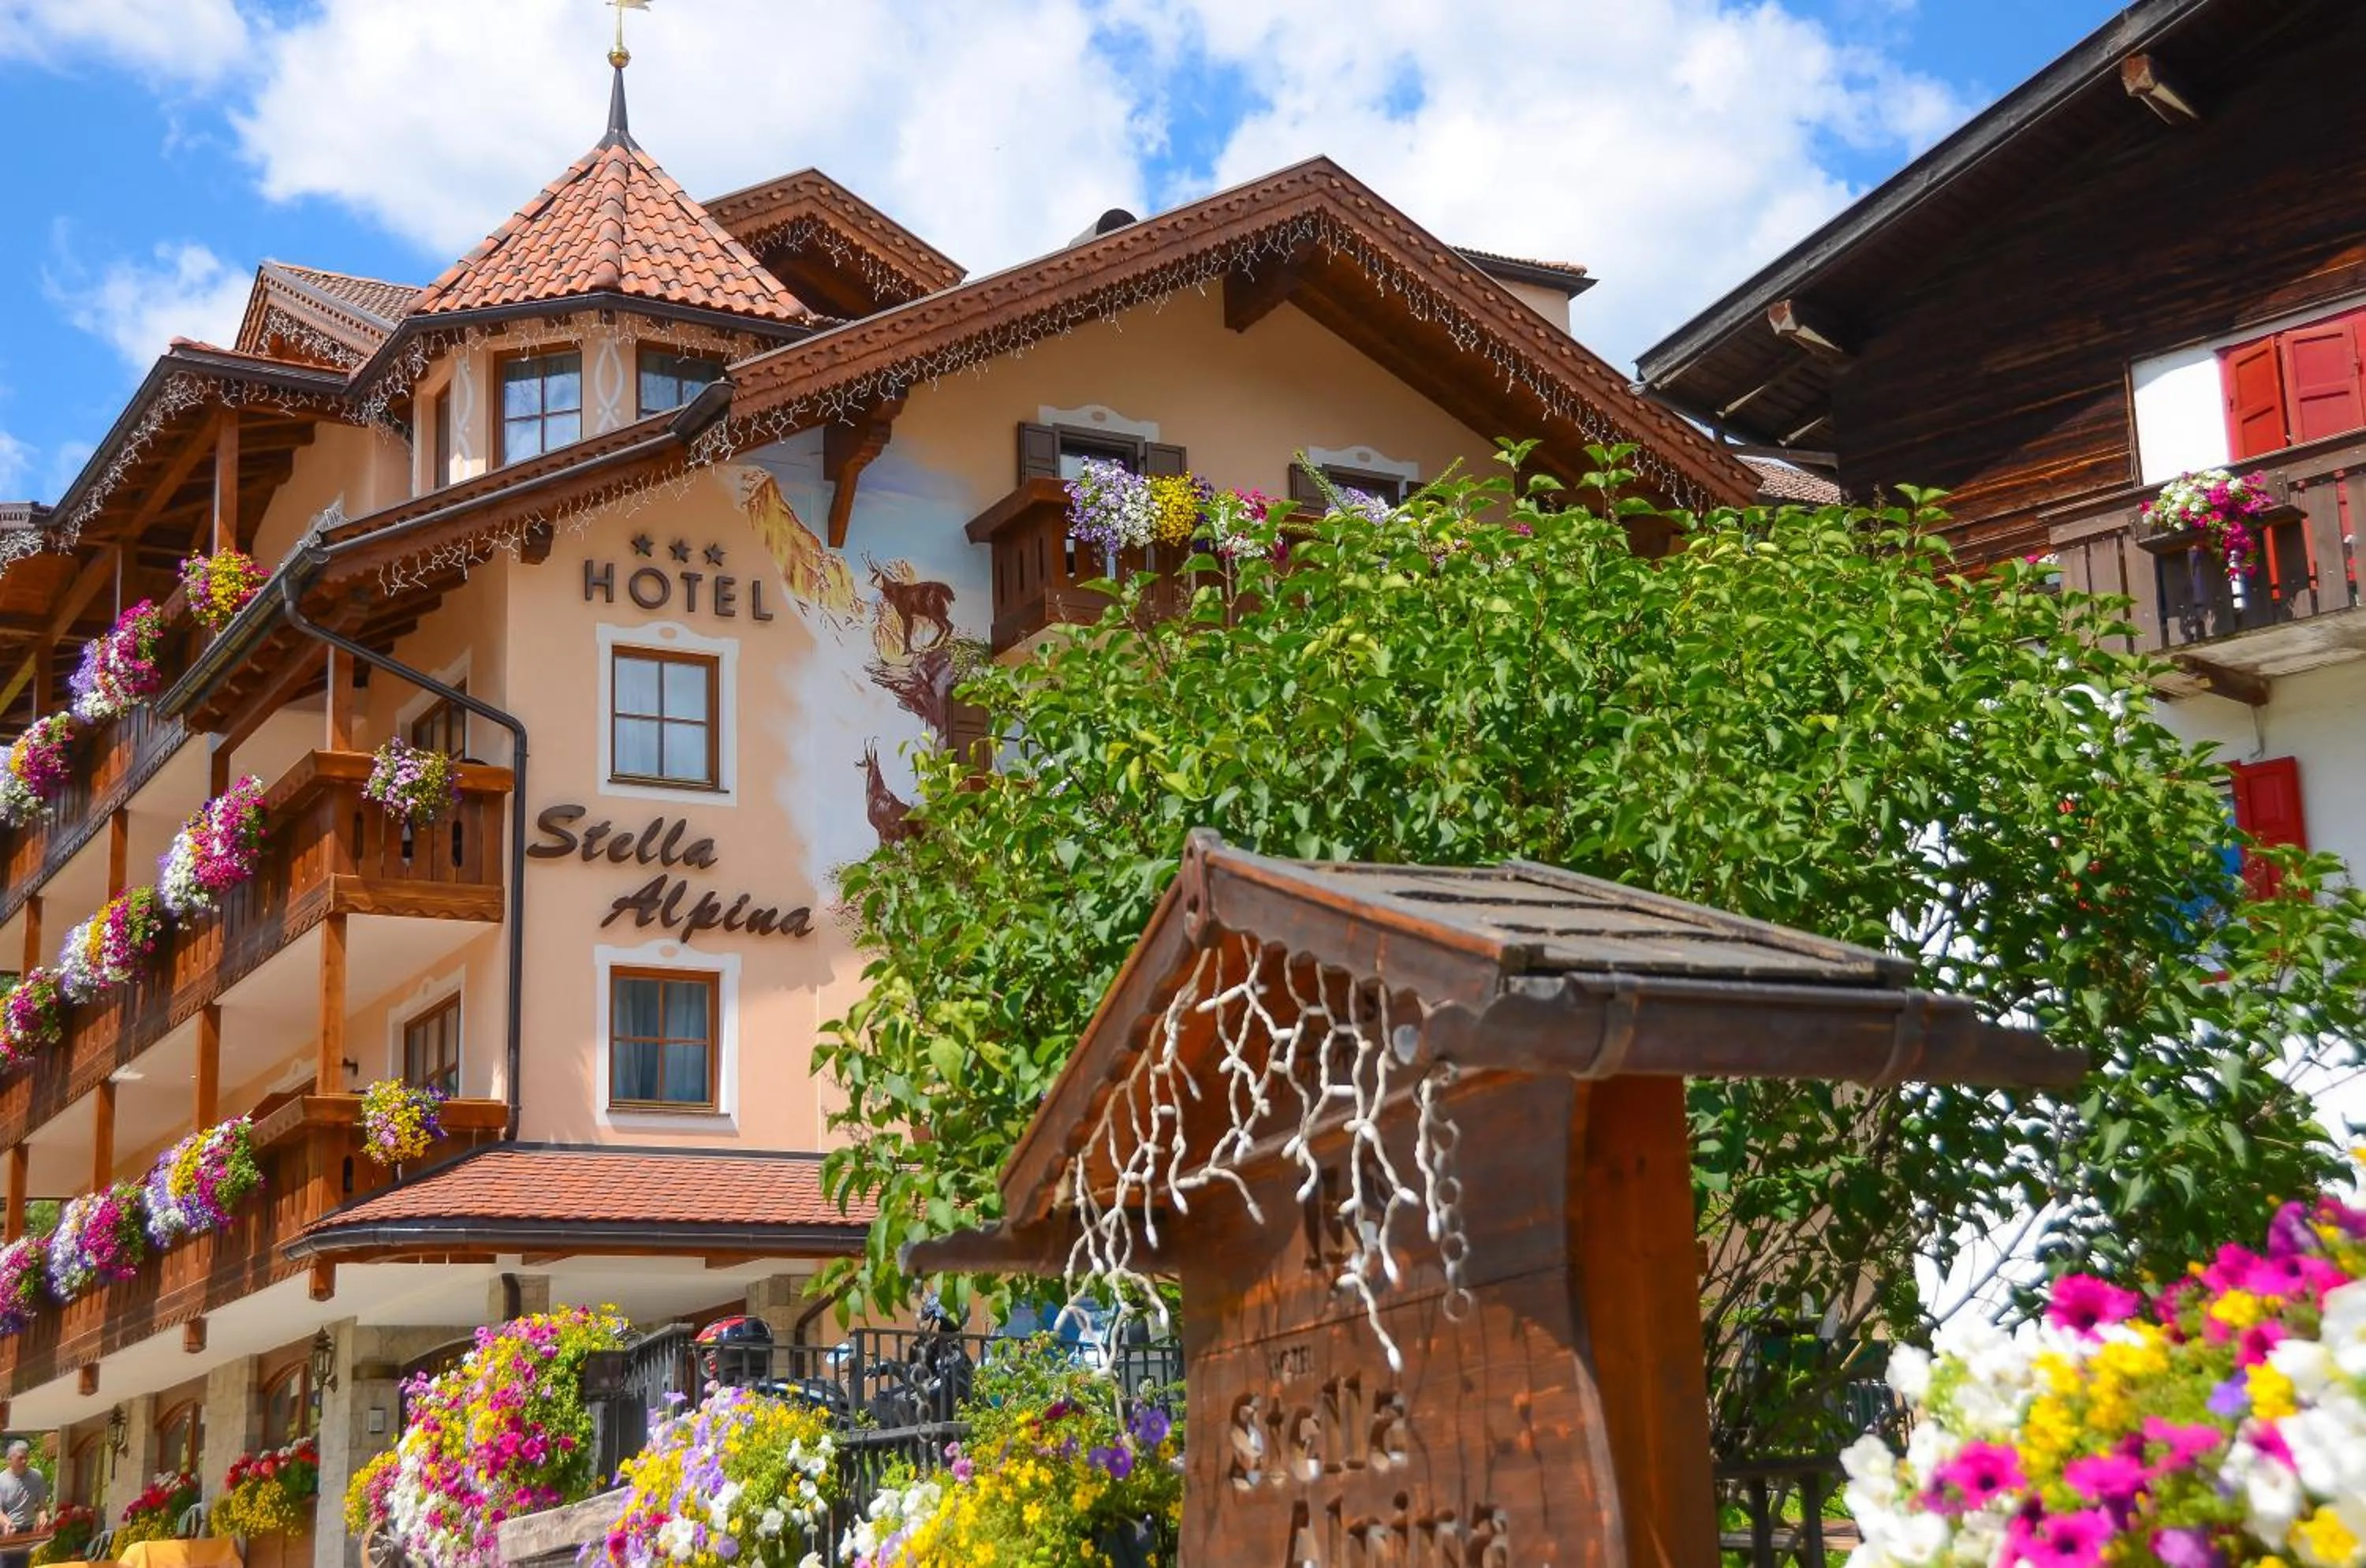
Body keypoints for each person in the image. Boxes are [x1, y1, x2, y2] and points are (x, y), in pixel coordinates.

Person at [0, 1439, 50, 1568]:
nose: (24, 1462)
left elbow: (42, 1506)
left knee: (22, 1565)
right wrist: (6, 1523)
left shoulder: (37, 1476)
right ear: (9, 1460)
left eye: (26, 1458)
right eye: (20, 1458)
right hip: (6, 1531)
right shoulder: (2, 1481)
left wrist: (43, 1515)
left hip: (27, 1531)